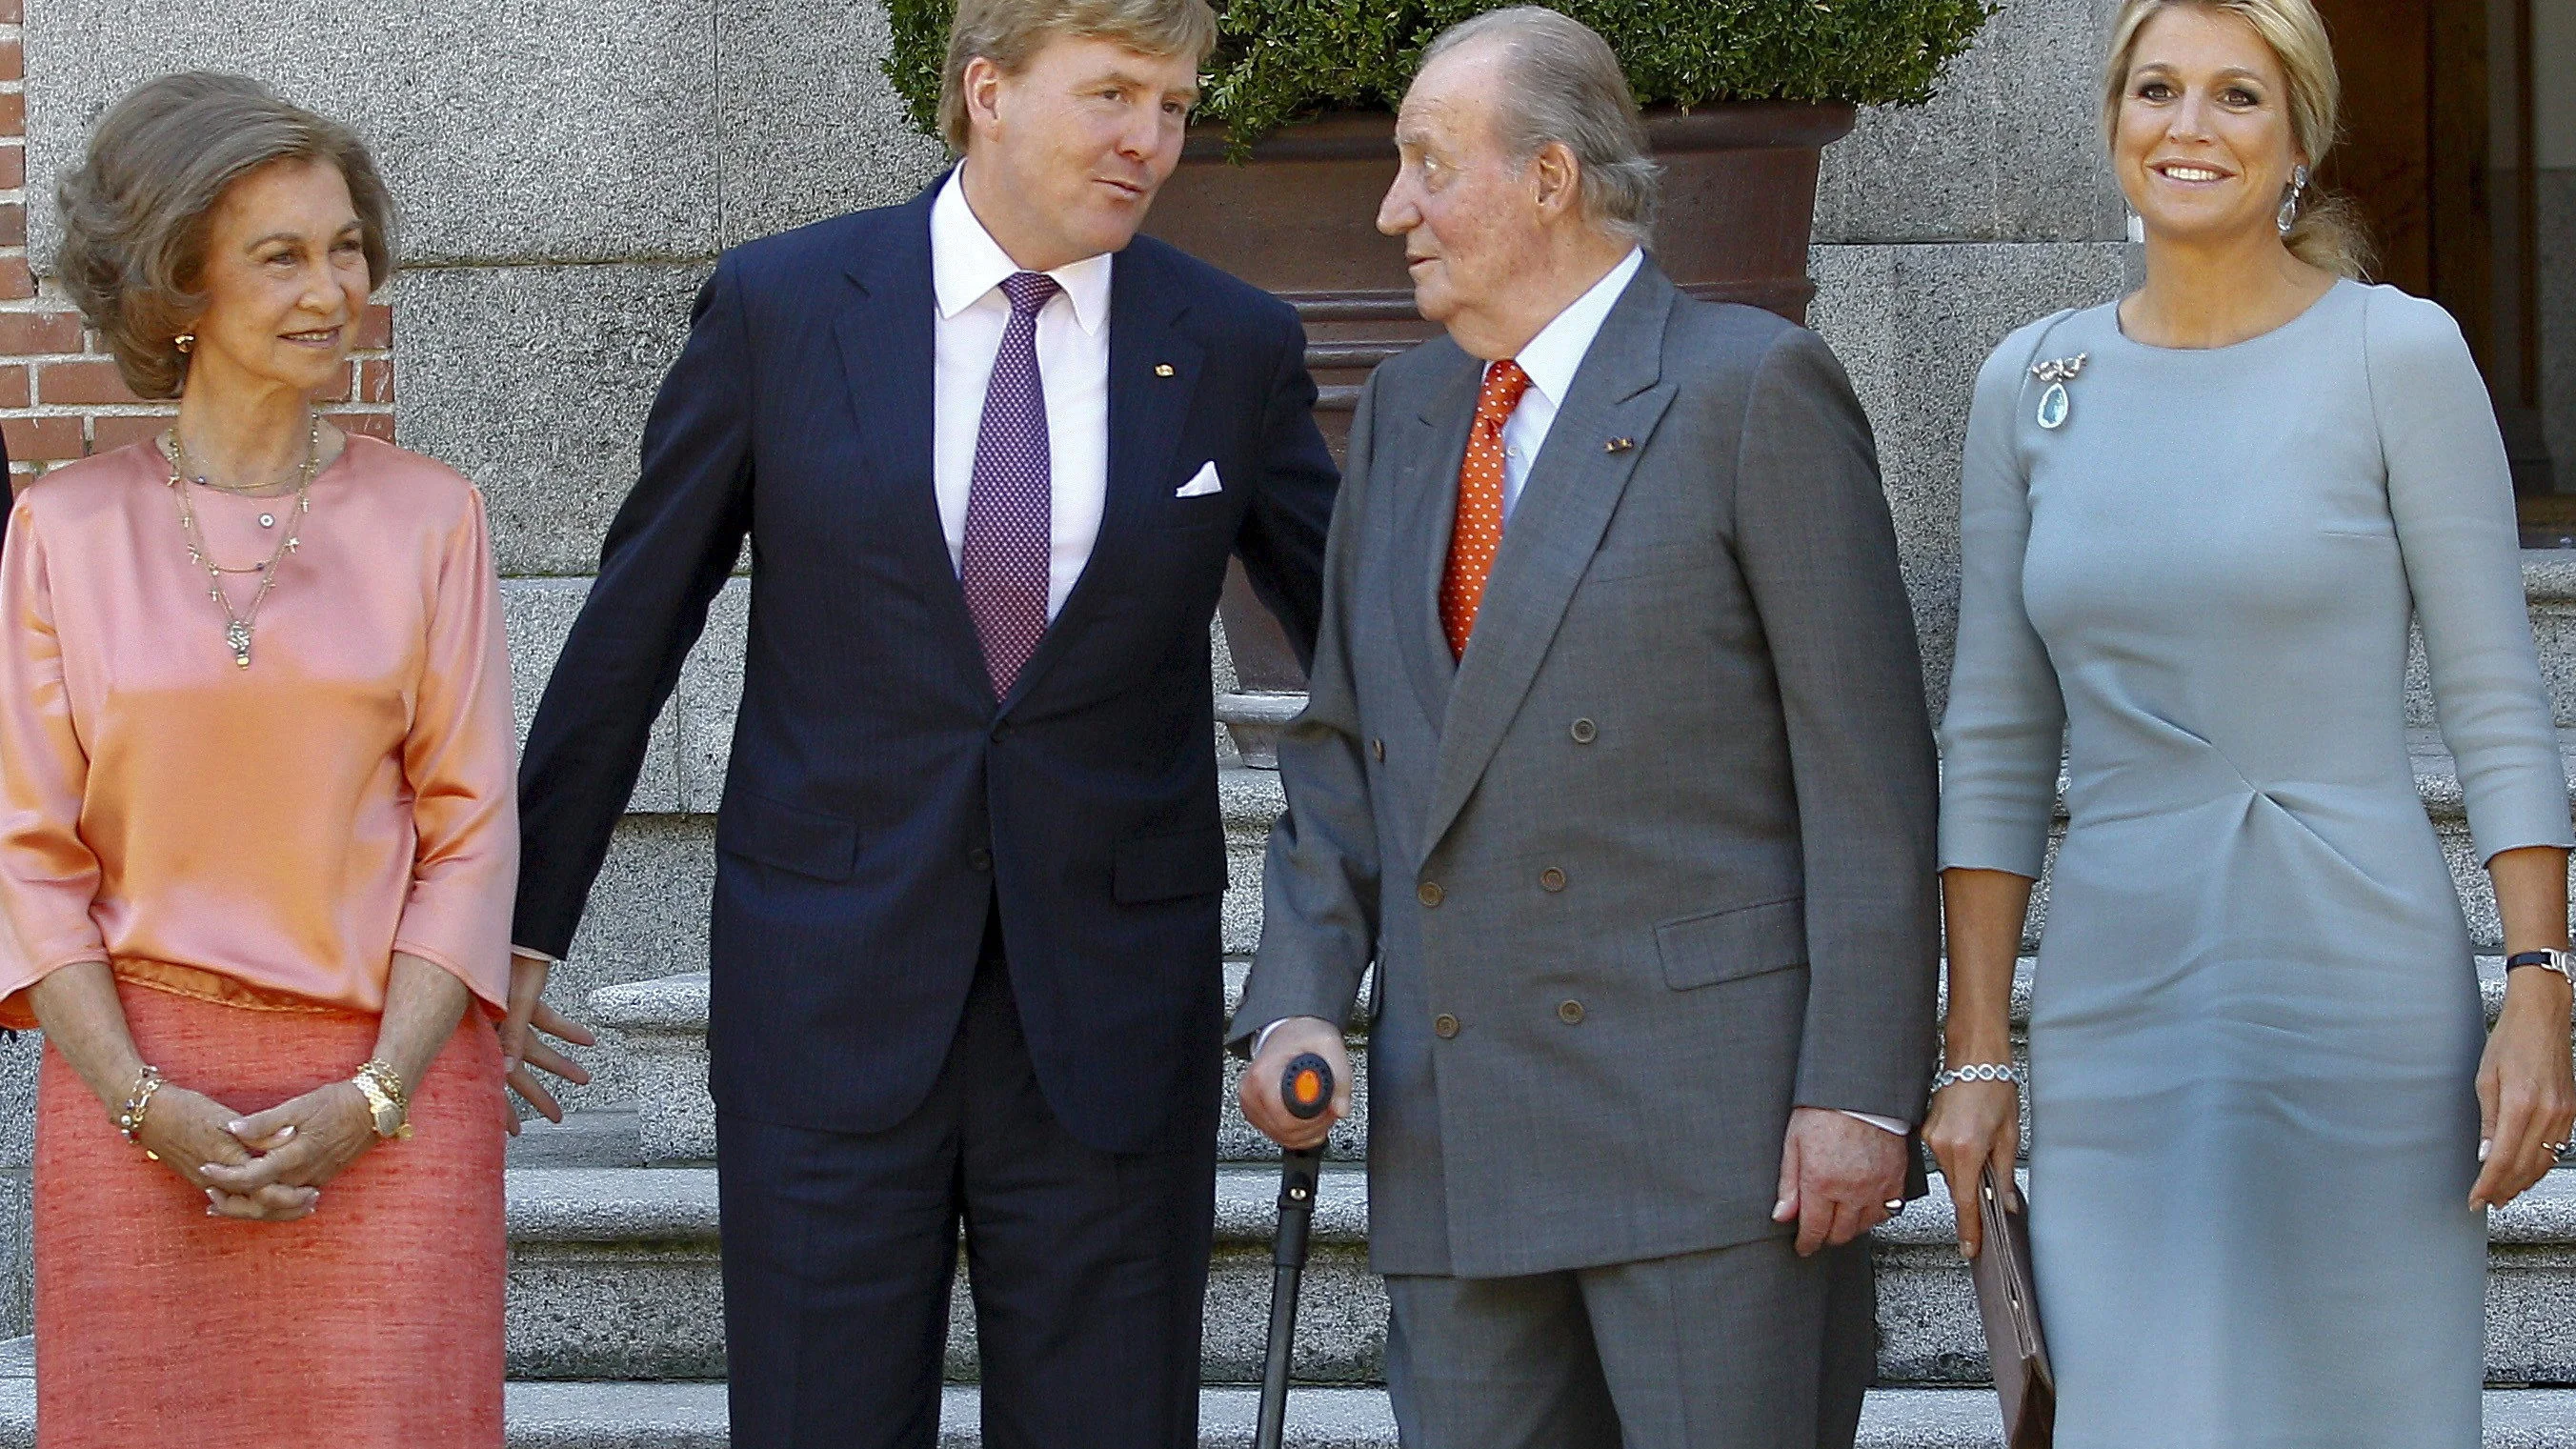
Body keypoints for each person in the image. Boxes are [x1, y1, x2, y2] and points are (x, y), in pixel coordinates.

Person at [506, 0, 1338, 1441]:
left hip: (1110, 1020)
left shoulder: (1232, 342)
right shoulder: (782, 306)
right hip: (829, 1001)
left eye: (1178, 106)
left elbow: (1370, 660)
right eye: (1114, 95)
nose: (1151, 140)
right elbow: (633, 628)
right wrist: (519, 924)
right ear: (989, 92)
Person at [1233, 10, 1942, 1446]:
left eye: (1430, 167)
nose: (1392, 211)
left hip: (1716, 1150)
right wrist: (1297, 993)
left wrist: (1861, 1095)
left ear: (1549, 179)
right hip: (1463, 1141)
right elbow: (1348, 753)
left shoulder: (1751, 388)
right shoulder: (1411, 412)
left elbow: (1867, 782)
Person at [1925, 1, 2576, 1444]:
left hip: (2359, 983)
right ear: (2112, 126)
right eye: (2157, 90)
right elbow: (1991, 740)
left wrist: (2540, 985)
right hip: (2114, 988)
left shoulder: (2397, 353)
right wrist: (1976, 1053)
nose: (2189, 127)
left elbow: (2496, 699)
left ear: (2298, 142)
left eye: (2236, 97)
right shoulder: (2029, 382)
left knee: (2367, 1400)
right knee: (2143, 1405)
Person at [0, 72, 575, 1448]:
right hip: (132, 1096)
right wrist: (148, 1106)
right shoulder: (62, 533)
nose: (334, 289)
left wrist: (376, 1095)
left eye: (346, 247)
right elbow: (29, 856)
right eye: (282, 254)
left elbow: (471, 834)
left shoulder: (434, 519)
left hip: (392, 1099)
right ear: (175, 283)